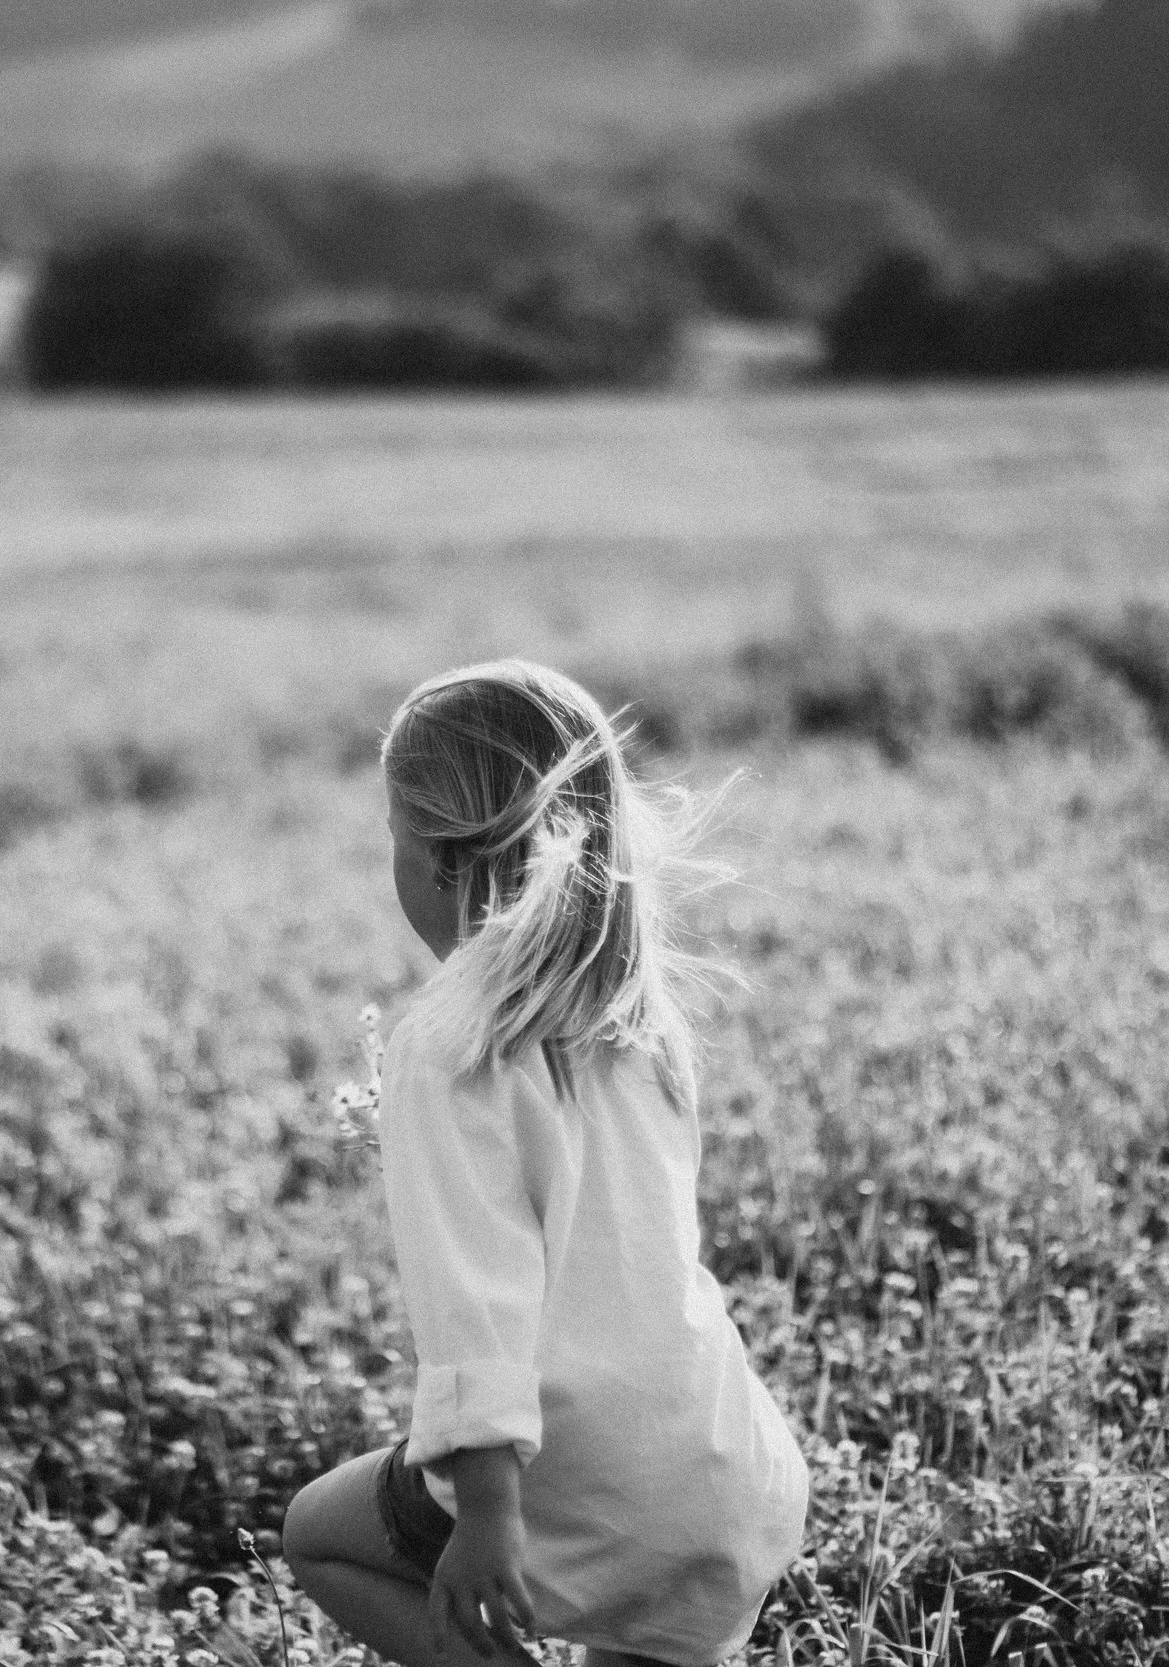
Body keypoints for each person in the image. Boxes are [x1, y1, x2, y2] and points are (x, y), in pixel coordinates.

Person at [283, 661, 808, 1667]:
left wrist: (484, 1513)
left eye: (391, 841)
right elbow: (593, 1222)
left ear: (440, 859)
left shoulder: (445, 1043)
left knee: (320, 1533)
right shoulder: (638, 1019)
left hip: (564, 1482)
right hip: (714, 1464)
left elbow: (474, 1306)